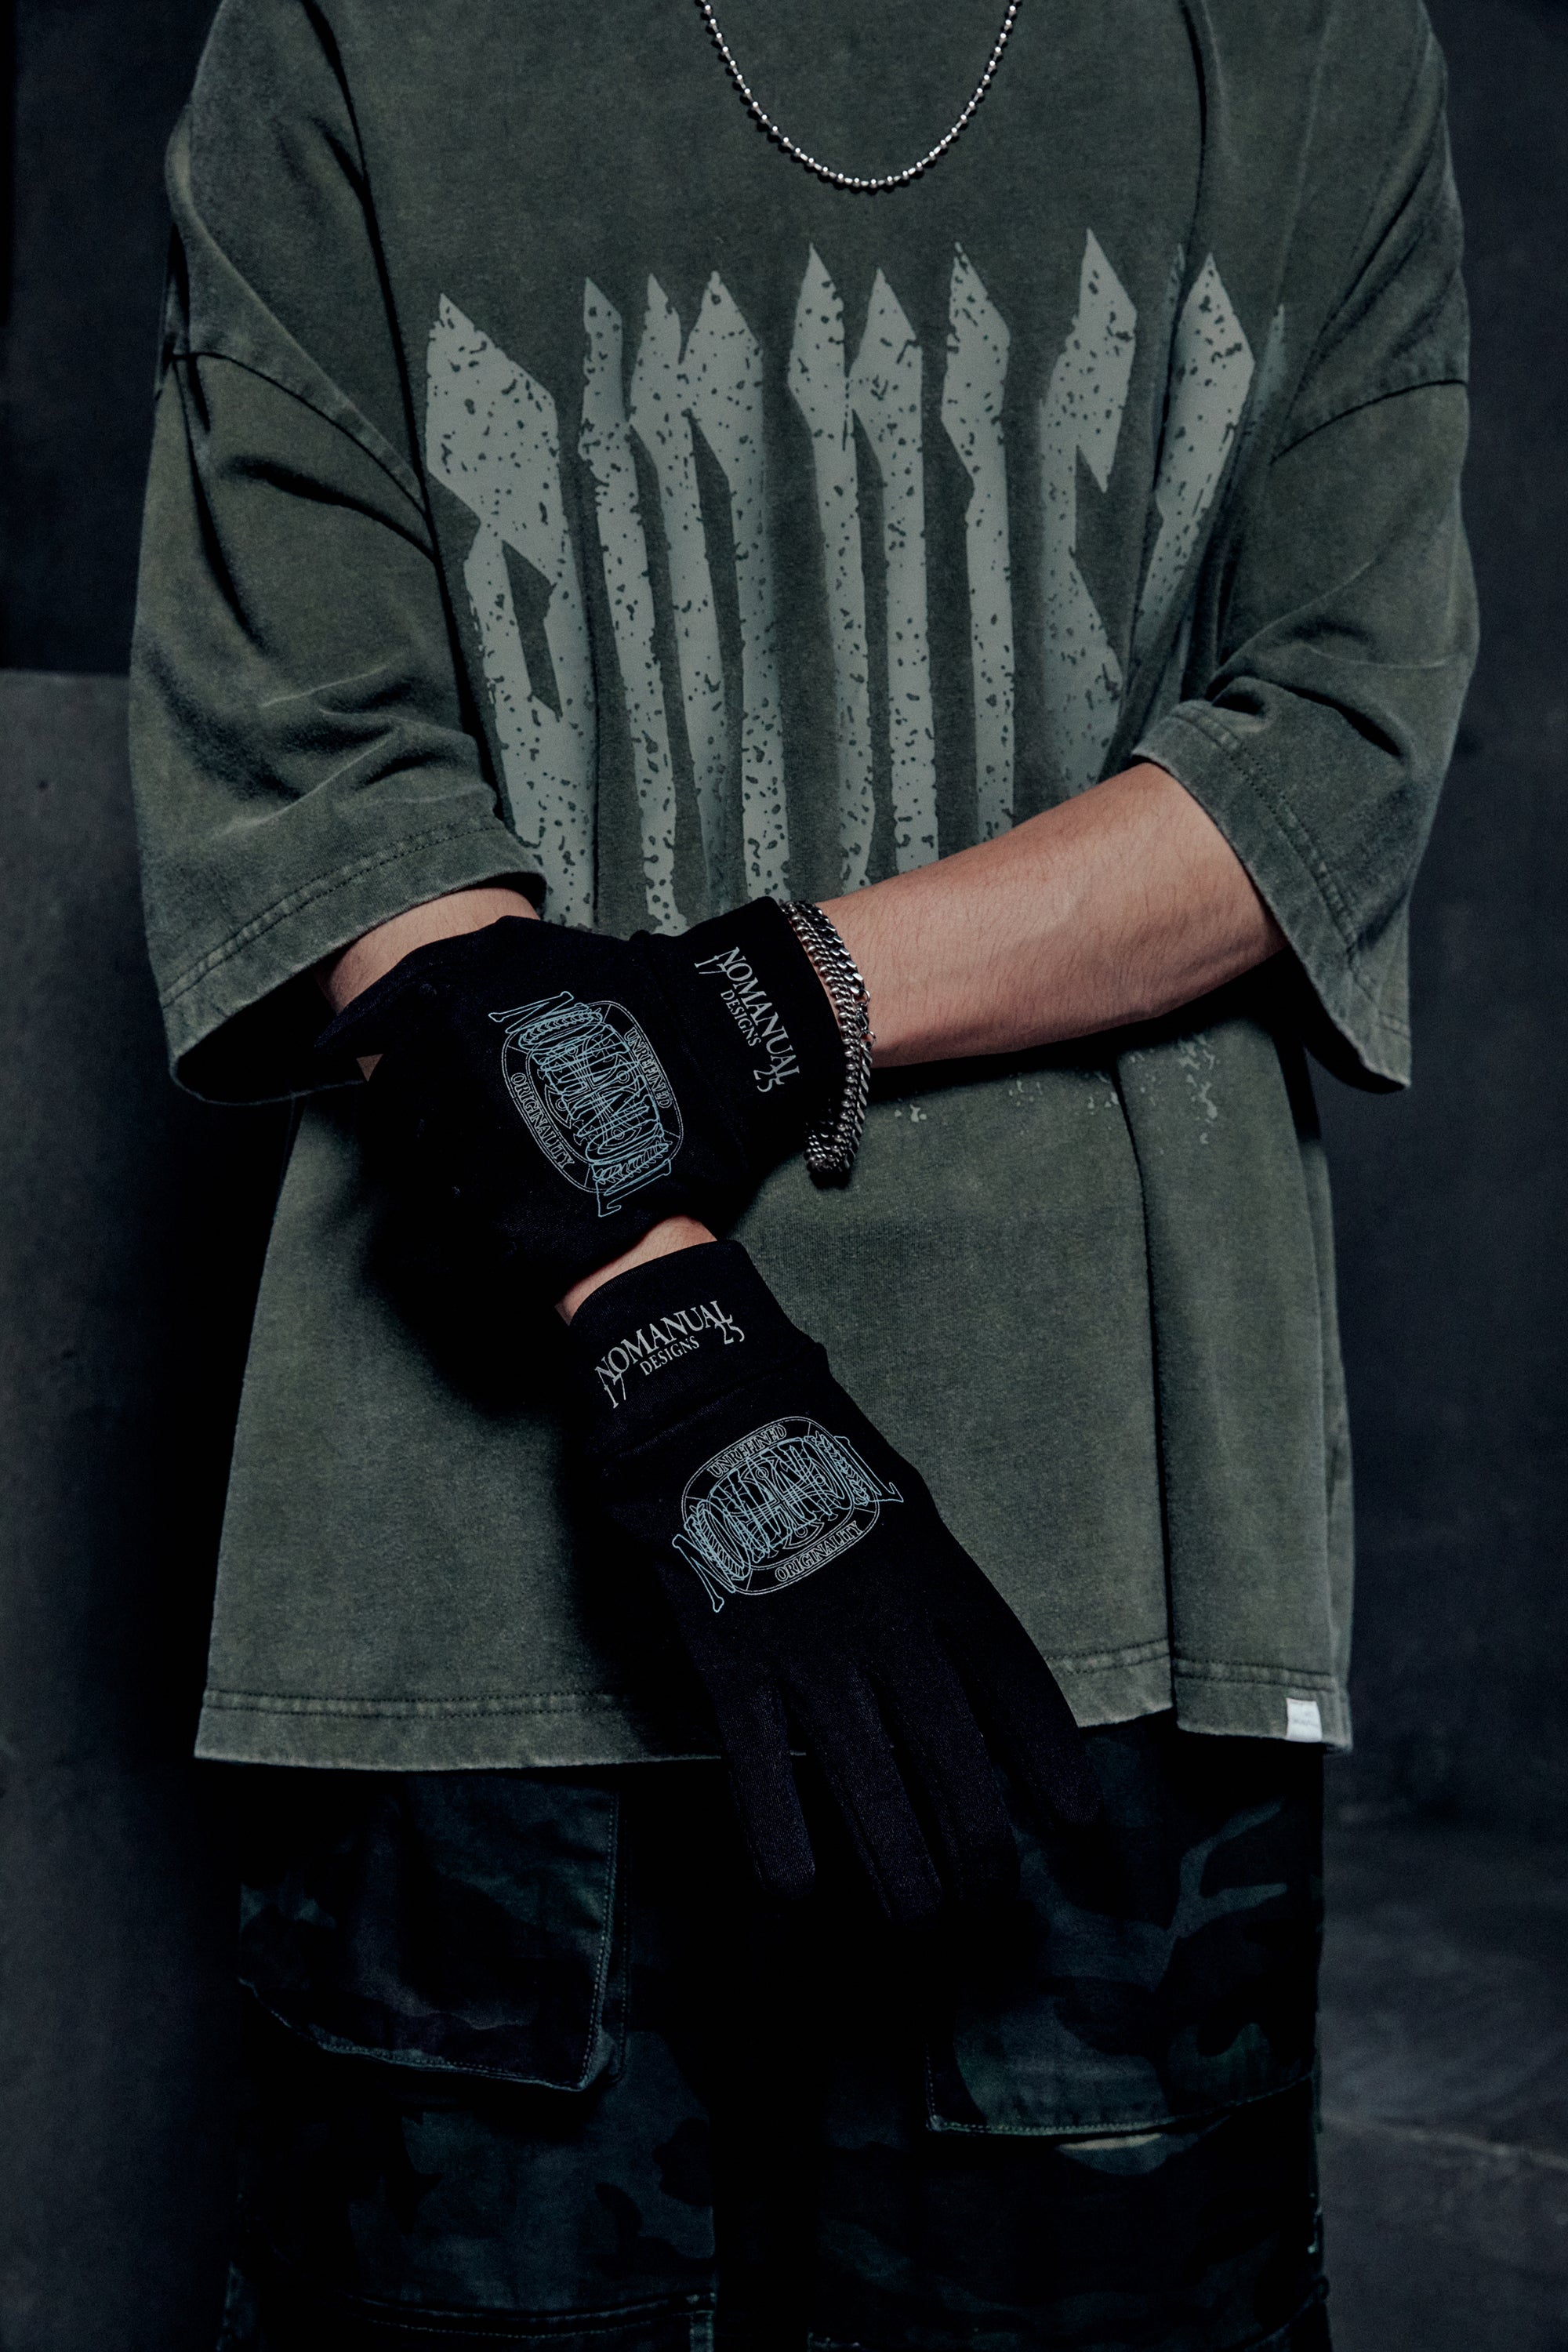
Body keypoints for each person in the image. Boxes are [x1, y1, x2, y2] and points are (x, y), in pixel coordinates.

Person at [129, 0, 1475, 2343]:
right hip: (470, 1600)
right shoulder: (344, 31)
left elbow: (1333, 749)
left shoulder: (1313, 42)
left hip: (1099, 1580)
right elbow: (327, 767)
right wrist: (678, 1342)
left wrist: (768, 1008)